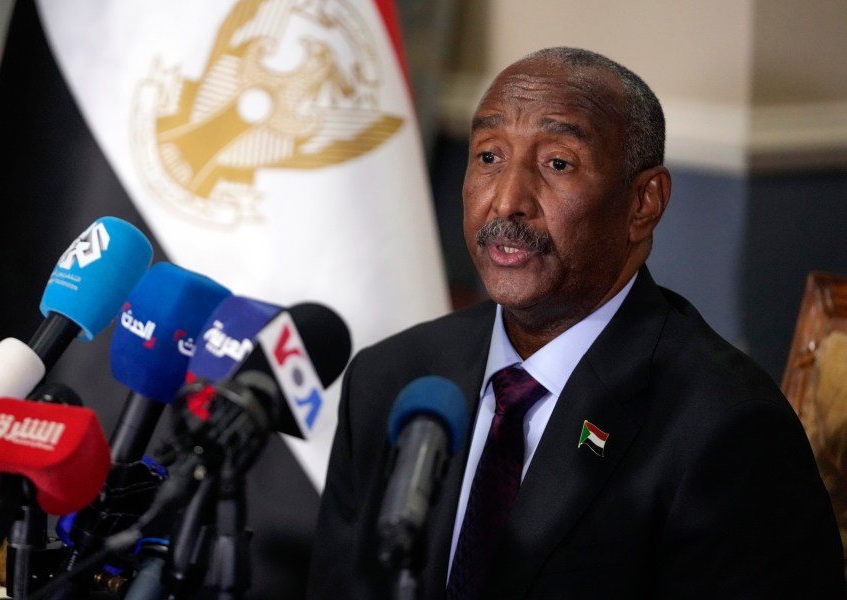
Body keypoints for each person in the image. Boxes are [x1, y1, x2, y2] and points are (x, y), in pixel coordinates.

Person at [307, 47, 845, 599]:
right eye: (489, 156)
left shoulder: (725, 428)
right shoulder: (392, 380)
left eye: (557, 164)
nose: (507, 201)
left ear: (643, 203)